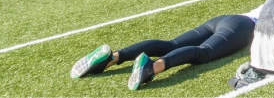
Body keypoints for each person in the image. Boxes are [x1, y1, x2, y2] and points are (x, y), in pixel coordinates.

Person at [70, 12, 256, 89]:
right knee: (204, 51)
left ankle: (113, 57)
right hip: (244, 26)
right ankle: (153, 66)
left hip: (228, 18)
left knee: (171, 44)